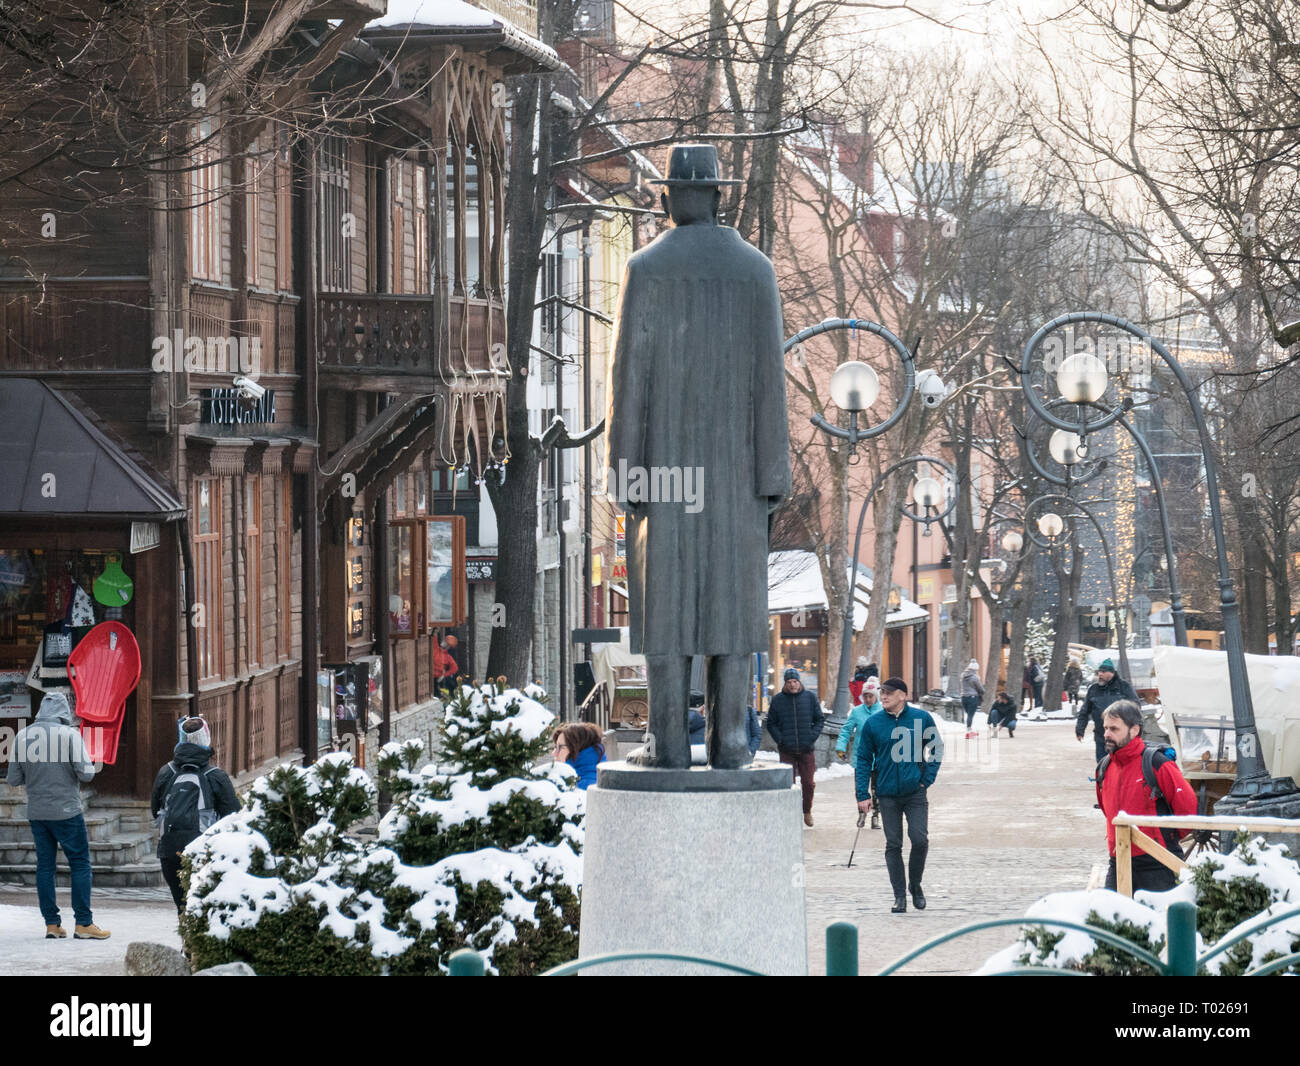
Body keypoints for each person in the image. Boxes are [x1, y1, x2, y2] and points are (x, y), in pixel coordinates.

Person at [606, 142, 790, 771]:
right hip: (738, 476)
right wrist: (772, 478)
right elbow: (771, 382)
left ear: (670, 198)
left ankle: (667, 744)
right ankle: (731, 740)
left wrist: (623, 469)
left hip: (663, 473)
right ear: (717, 195)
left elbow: (627, 380)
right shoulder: (756, 271)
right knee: (733, 605)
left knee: (667, 605)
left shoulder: (646, 268)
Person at [4, 690, 109, 940]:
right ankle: (84, 923)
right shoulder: (70, 735)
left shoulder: (22, 736)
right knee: (80, 863)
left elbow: (13, 778)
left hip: (38, 813)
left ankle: (52, 924)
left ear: (41, 710)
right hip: (67, 811)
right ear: (64, 711)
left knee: (45, 867)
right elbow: (87, 774)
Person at [855, 678, 943, 913]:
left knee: (920, 839)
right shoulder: (874, 724)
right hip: (887, 794)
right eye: (882, 692)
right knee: (893, 844)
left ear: (903, 696)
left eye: (889, 693)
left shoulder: (921, 719)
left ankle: (915, 884)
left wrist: (926, 779)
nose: (883, 696)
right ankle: (899, 896)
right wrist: (862, 794)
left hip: (915, 791)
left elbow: (936, 748)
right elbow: (863, 759)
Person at [1095, 700, 1196, 893]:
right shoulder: (1104, 767)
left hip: (1158, 861)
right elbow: (1107, 811)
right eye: (1106, 728)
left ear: (1134, 730)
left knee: (1160, 921)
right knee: (1110, 919)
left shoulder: (1157, 763)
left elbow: (1187, 808)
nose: (1107, 734)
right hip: (1118, 859)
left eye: (1114, 729)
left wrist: (1164, 838)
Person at [151, 716, 241, 912]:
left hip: (169, 848)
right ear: (206, 739)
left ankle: (186, 941)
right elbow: (233, 816)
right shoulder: (216, 776)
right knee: (203, 907)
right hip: (203, 849)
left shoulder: (166, 772)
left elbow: (154, 810)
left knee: (182, 907)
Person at [766, 668, 824, 826]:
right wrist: (780, 740)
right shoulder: (778, 700)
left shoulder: (810, 698)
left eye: (795, 681)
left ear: (799, 682)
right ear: (785, 683)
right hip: (787, 750)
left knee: (809, 783)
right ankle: (790, 814)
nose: (792, 685)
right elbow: (770, 723)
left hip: (806, 748)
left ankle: (807, 811)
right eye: (789, 682)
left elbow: (819, 719)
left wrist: (811, 737)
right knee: (788, 784)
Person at [1076, 658, 1140, 762]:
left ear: (1112, 673)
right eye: (1099, 672)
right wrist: (1080, 729)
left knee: (1121, 766)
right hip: (1101, 737)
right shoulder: (1094, 689)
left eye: (1103, 672)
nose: (1100, 674)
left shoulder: (1124, 686)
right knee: (1103, 766)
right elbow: (1084, 711)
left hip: (1121, 738)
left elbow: (1136, 706)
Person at [836, 677, 881, 761]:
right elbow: (846, 730)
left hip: (880, 759)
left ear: (876, 696)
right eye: (865, 696)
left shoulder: (884, 710)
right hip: (860, 758)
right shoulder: (856, 711)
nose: (867, 699)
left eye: (870, 696)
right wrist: (840, 747)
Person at [553, 722, 606, 790]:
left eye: (560, 747)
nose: (554, 753)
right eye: (555, 747)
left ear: (576, 749)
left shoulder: (583, 787)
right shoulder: (592, 776)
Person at [960, 659, 984, 734]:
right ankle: (969, 729)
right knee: (970, 715)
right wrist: (983, 692)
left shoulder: (963, 675)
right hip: (972, 698)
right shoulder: (975, 677)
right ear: (975, 669)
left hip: (964, 697)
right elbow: (980, 688)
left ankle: (969, 727)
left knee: (969, 714)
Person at [432, 632, 459, 698]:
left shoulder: (448, 657)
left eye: (446, 641)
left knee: (438, 696)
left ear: (448, 646)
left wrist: (444, 675)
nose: (443, 642)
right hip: (428, 675)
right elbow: (433, 636)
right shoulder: (436, 648)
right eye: (445, 640)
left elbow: (455, 668)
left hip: (436, 679)